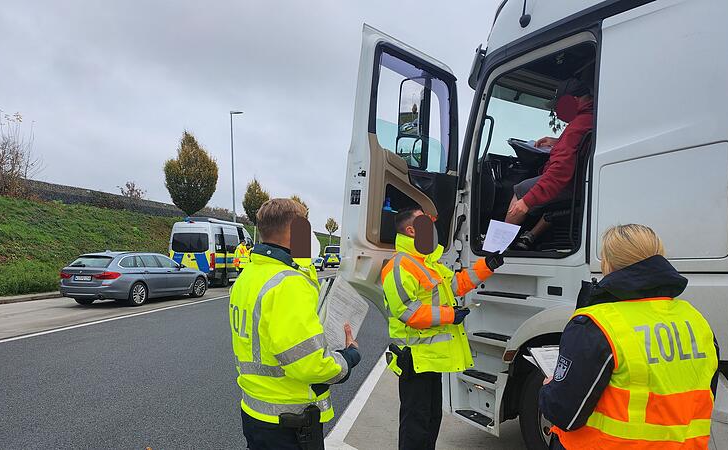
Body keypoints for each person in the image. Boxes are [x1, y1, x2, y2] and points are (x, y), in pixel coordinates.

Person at [539, 224, 719, 449]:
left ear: (608, 264)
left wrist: (549, 387)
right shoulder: (696, 320)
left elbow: (564, 413)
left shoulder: (596, 325)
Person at [230, 198, 361, 450]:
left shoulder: (248, 276)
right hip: (290, 421)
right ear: (295, 232)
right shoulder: (289, 283)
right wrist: (349, 357)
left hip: (255, 411)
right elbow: (309, 365)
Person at [382, 207, 504, 450]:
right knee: (415, 425)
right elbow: (408, 311)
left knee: (430, 420)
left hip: (430, 359)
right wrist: (451, 315)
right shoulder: (399, 265)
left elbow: (457, 284)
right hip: (414, 359)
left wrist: (487, 265)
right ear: (411, 230)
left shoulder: (429, 263)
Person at [506, 73, 595, 250]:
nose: (558, 112)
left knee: (522, 189)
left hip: (571, 183)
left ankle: (499, 244)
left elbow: (559, 172)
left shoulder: (576, 127)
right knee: (541, 189)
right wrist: (556, 142)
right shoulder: (590, 118)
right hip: (581, 182)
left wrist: (526, 201)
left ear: (574, 100)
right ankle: (529, 236)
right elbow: (578, 146)